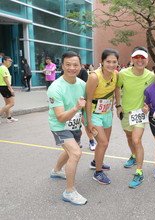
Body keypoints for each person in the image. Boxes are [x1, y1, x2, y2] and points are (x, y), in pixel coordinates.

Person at [48, 51, 87, 205]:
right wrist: (77, 107)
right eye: (68, 64)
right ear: (62, 66)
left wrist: (88, 125)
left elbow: (86, 109)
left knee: (69, 150)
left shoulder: (82, 84)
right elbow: (60, 117)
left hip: (75, 124)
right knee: (76, 153)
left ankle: (56, 170)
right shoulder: (55, 88)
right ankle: (69, 192)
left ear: (80, 66)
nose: (72, 68)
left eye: (75, 64)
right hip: (60, 126)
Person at [115, 46, 155, 188]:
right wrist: (118, 105)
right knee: (129, 137)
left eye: (142, 58)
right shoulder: (123, 74)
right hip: (126, 112)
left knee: (136, 140)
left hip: (140, 114)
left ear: (147, 60)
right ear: (132, 59)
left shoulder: (151, 76)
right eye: (137, 57)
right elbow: (117, 88)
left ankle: (139, 172)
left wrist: (148, 105)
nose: (139, 60)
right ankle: (133, 155)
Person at [85, 49, 119, 184]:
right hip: (94, 114)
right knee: (103, 142)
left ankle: (96, 162)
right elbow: (88, 100)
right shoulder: (94, 77)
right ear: (102, 62)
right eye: (108, 61)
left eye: (114, 62)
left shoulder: (116, 74)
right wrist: (89, 122)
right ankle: (98, 172)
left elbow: (116, 88)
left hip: (107, 113)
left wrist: (117, 105)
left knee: (104, 143)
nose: (111, 64)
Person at [0, 56, 18, 123]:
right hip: (5, 87)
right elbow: (5, 79)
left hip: (4, 87)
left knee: (7, 103)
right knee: (12, 103)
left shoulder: (4, 68)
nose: (10, 62)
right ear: (4, 61)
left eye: (11, 61)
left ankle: (9, 118)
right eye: (9, 61)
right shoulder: (3, 68)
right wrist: (11, 89)